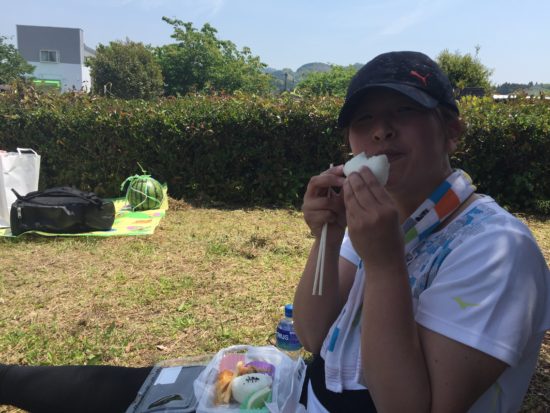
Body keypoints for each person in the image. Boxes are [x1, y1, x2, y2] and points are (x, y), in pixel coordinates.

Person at [293, 51, 550, 412]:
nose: (381, 130)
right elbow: (312, 335)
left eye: (405, 110)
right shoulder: (374, 222)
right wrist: (329, 235)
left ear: (451, 132)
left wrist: (384, 264)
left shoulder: (499, 249)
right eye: (364, 119)